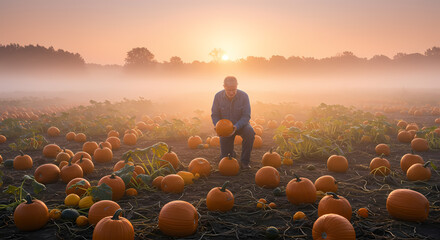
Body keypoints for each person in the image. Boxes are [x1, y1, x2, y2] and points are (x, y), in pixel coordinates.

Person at [211, 76, 255, 169]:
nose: (231, 92)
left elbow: (246, 116)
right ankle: (231, 153)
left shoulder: (244, 96)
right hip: (225, 129)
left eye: (233, 89)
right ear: (224, 87)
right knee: (226, 159)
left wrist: (236, 126)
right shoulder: (218, 97)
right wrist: (217, 125)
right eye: (228, 90)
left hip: (241, 125)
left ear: (237, 86)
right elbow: (214, 114)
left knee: (250, 132)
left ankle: (245, 161)